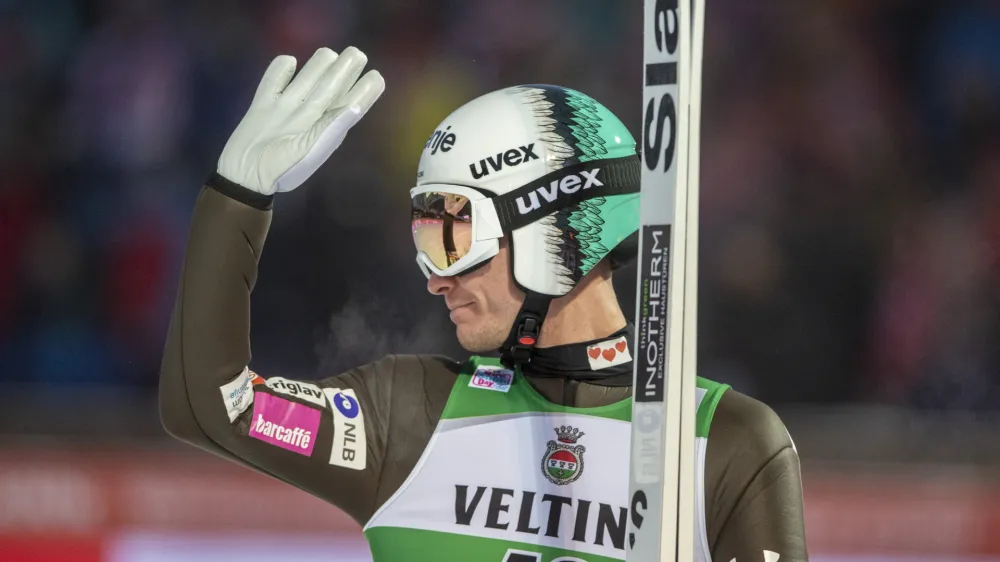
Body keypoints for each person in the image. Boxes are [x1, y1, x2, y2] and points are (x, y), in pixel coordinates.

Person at [159, 46, 809, 562]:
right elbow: (213, 407)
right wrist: (237, 195)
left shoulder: (722, 445)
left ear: (555, 230)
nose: (436, 279)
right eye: (423, 236)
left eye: (454, 234)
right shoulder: (408, 418)